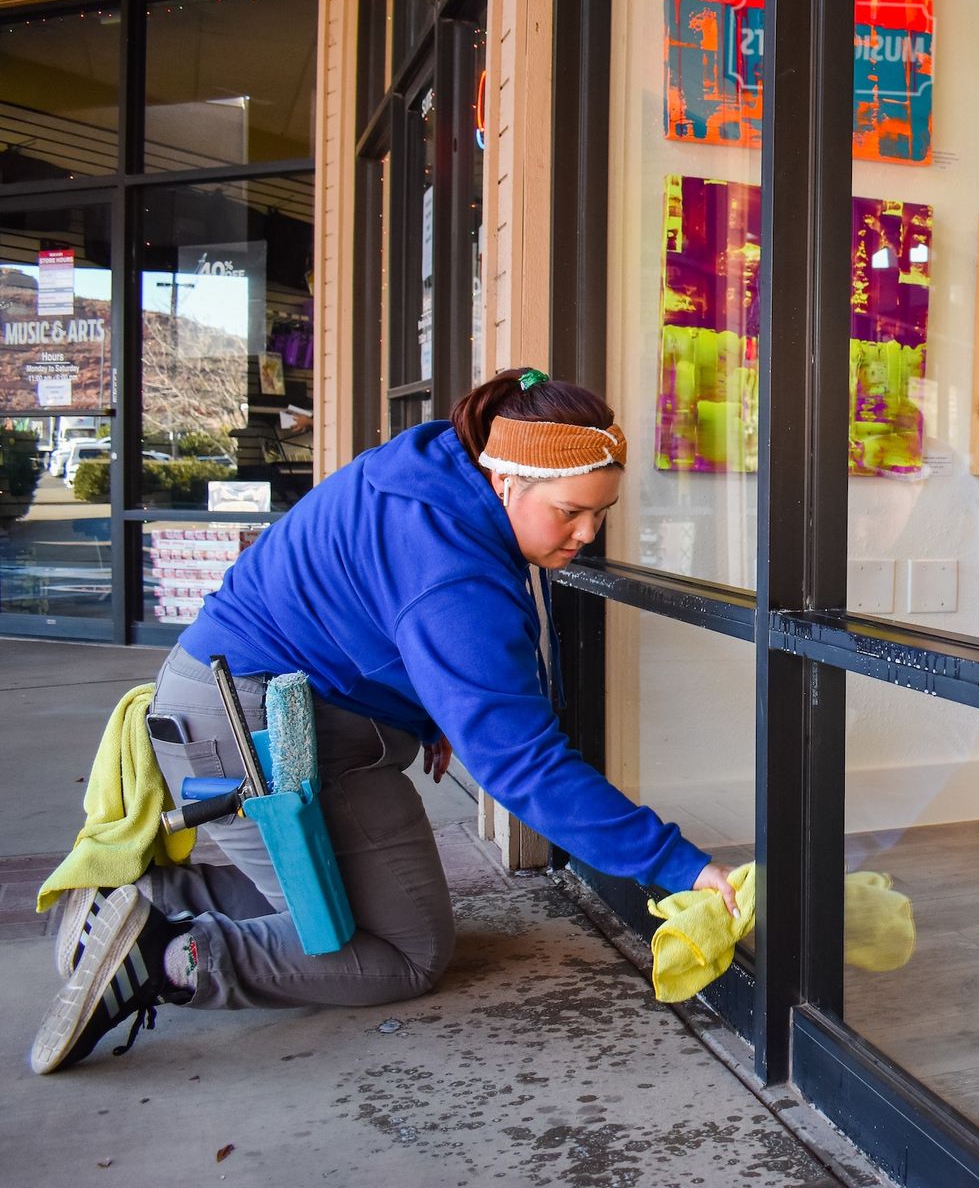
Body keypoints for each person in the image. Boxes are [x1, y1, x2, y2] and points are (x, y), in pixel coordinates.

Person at [30, 369, 737, 1076]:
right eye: (570, 511)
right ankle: (166, 958)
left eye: (601, 512)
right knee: (402, 953)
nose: (587, 533)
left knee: (372, 902)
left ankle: (140, 899)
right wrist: (675, 863)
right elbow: (522, 762)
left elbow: (372, 599)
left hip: (258, 701)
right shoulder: (455, 572)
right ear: (506, 483)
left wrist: (434, 701)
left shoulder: (438, 466)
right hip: (248, 725)